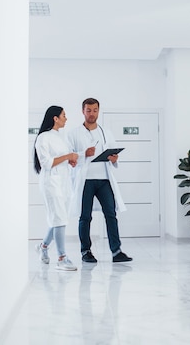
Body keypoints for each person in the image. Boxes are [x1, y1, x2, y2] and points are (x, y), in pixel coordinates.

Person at [68, 98, 132, 263]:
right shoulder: (73, 134)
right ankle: (85, 251)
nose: (92, 113)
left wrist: (114, 158)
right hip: (86, 181)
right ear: (83, 111)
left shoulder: (106, 132)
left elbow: (113, 153)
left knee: (111, 214)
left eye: (95, 110)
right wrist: (84, 154)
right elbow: (70, 159)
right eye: (88, 110)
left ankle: (116, 251)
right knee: (85, 217)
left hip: (104, 179)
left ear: (98, 110)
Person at [33, 106, 80, 271]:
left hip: (63, 183)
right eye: (64, 115)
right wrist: (68, 156)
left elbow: (61, 158)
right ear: (55, 118)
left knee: (58, 219)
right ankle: (62, 258)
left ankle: (43, 247)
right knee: (59, 218)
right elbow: (46, 163)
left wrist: (70, 160)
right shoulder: (43, 138)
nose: (66, 118)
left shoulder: (61, 137)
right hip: (51, 183)